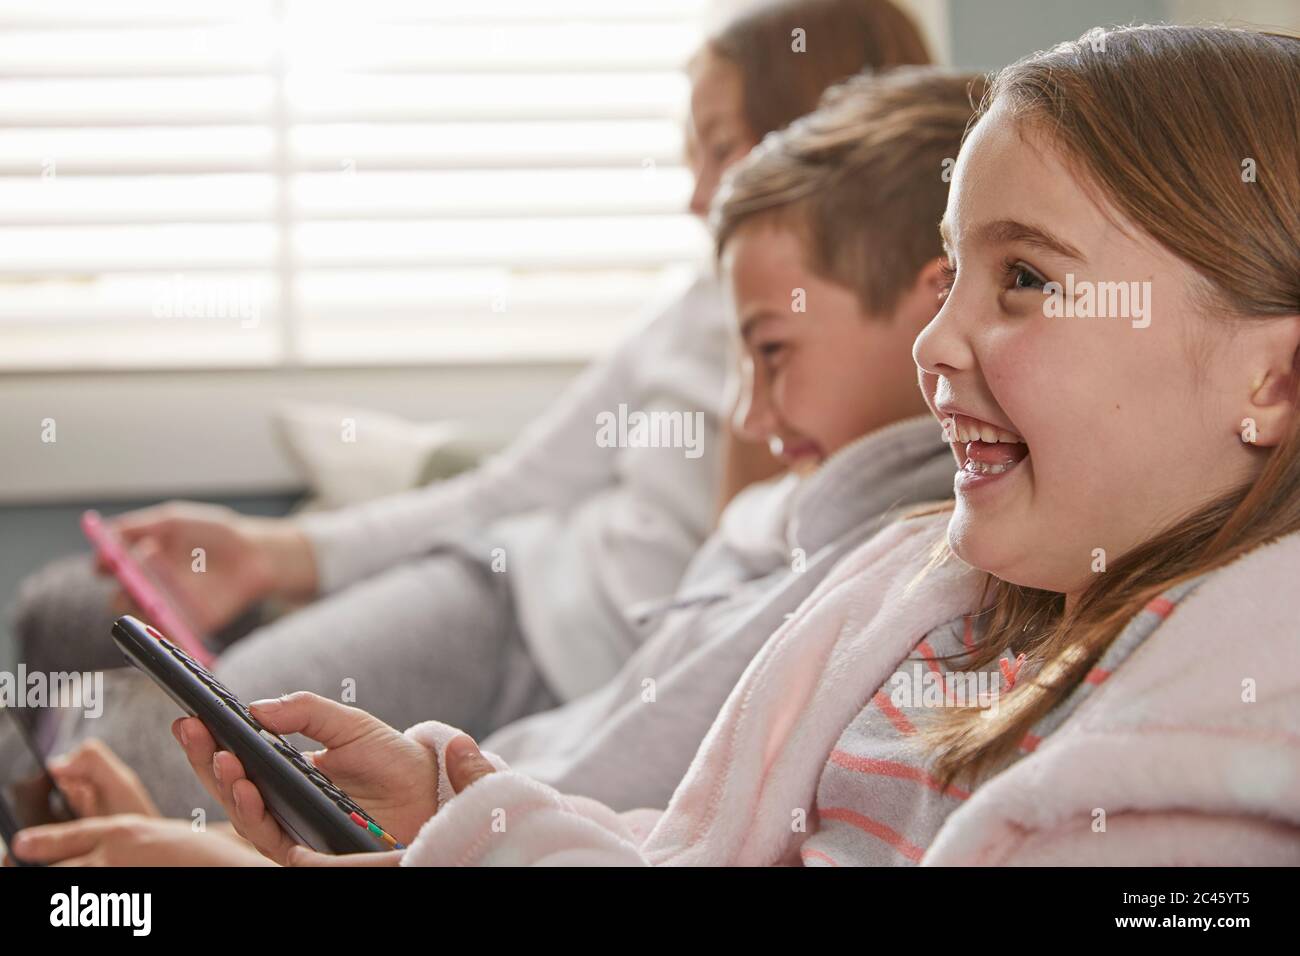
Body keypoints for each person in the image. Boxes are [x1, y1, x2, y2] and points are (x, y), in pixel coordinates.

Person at [172, 24, 1300, 867]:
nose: (934, 341)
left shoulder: (1225, 748)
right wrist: (448, 812)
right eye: (952, 274)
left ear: (1273, 377)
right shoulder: (911, 596)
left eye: (1025, 279)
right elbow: (686, 845)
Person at [7, 0, 933, 822]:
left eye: (724, 148)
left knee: (144, 754)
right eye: (695, 153)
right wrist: (276, 556)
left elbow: (706, 648)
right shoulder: (692, 317)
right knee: (74, 628)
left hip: (565, 663)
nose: (697, 191)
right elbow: (515, 484)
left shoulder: (851, 435)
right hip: (507, 586)